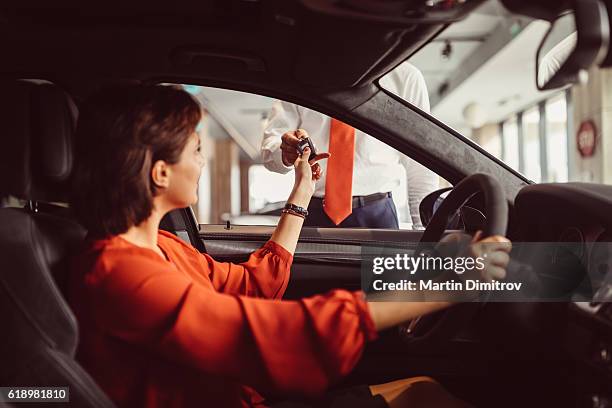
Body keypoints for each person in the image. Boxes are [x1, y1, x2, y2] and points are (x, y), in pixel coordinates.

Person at [68, 85, 511, 408]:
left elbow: (254, 284)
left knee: (425, 392)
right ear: (160, 173)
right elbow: (284, 334)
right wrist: (442, 281)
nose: (203, 161)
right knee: (426, 398)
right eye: (197, 149)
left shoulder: (161, 248)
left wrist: (301, 190)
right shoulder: (121, 275)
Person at [261, 61, 439, 229]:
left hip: (377, 215)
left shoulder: (405, 77)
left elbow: (420, 165)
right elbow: (270, 148)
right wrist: (285, 153)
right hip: (310, 211)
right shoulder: (300, 76)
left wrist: (426, 234)